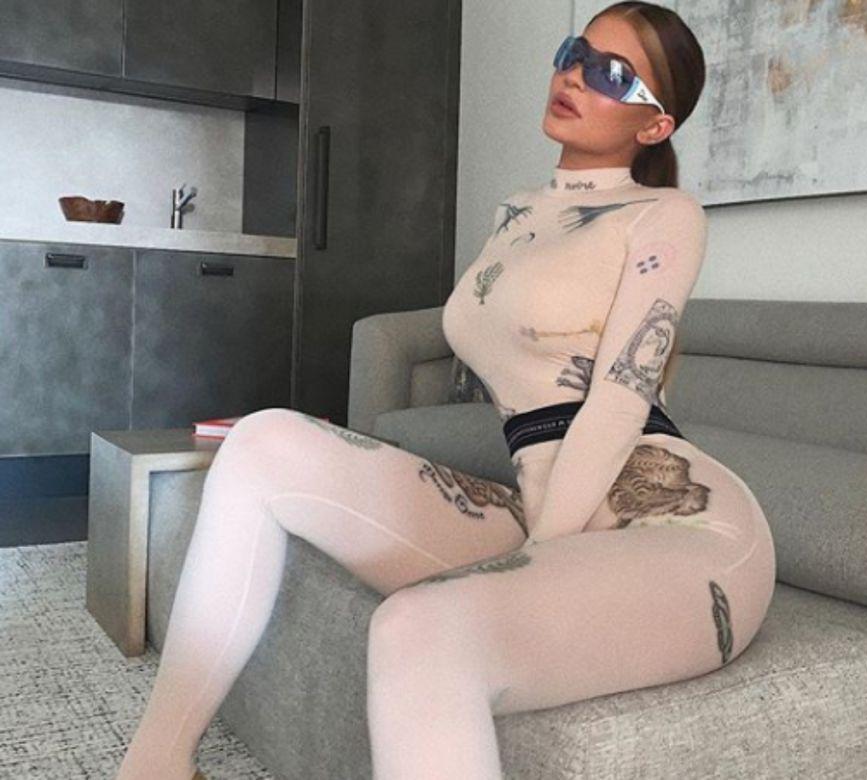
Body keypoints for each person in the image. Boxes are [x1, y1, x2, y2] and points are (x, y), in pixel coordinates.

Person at [115, 3, 776, 778]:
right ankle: (156, 765)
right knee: (264, 442)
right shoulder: (518, 210)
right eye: (574, 52)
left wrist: (538, 561)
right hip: (536, 499)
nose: (574, 75)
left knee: (420, 628)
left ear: (655, 125)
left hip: (676, 528)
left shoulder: (665, 214)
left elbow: (619, 401)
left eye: (609, 73)